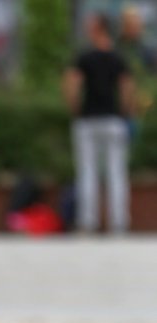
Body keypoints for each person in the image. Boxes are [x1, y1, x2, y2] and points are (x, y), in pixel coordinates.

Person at [63, 12, 136, 234]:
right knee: (117, 172)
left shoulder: (84, 57)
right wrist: (124, 111)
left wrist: (75, 108)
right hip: (113, 120)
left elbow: (71, 83)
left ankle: (88, 221)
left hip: (88, 120)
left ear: (97, 27)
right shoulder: (118, 57)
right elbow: (127, 87)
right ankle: (119, 222)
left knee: (87, 172)